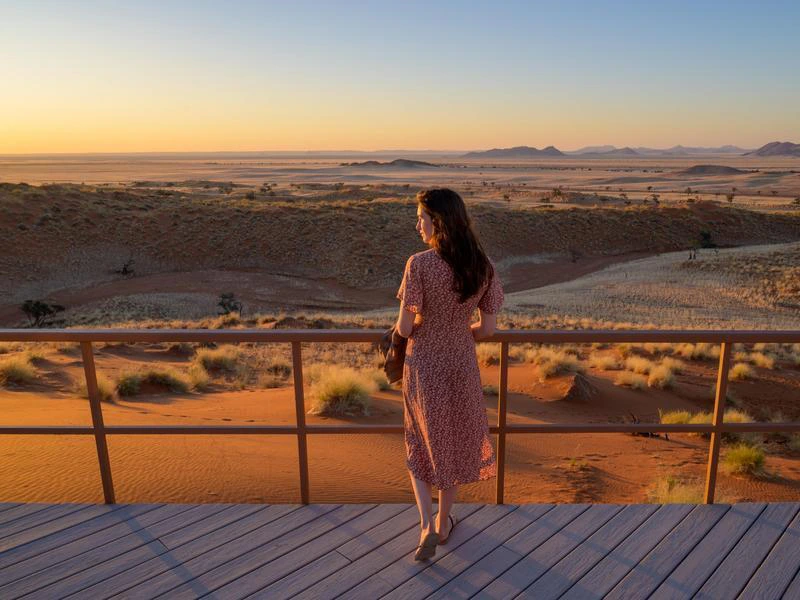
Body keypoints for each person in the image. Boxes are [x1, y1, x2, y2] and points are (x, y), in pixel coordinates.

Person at [394, 188, 504, 561]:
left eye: (421, 218)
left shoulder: (419, 264)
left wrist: (429, 327)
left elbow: (406, 329)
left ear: (437, 222)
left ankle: (425, 524)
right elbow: (487, 330)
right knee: (453, 443)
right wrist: (457, 332)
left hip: (424, 363)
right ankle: (444, 523)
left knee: (420, 440)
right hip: (460, 363)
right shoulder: (483, 265)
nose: (418, 225)